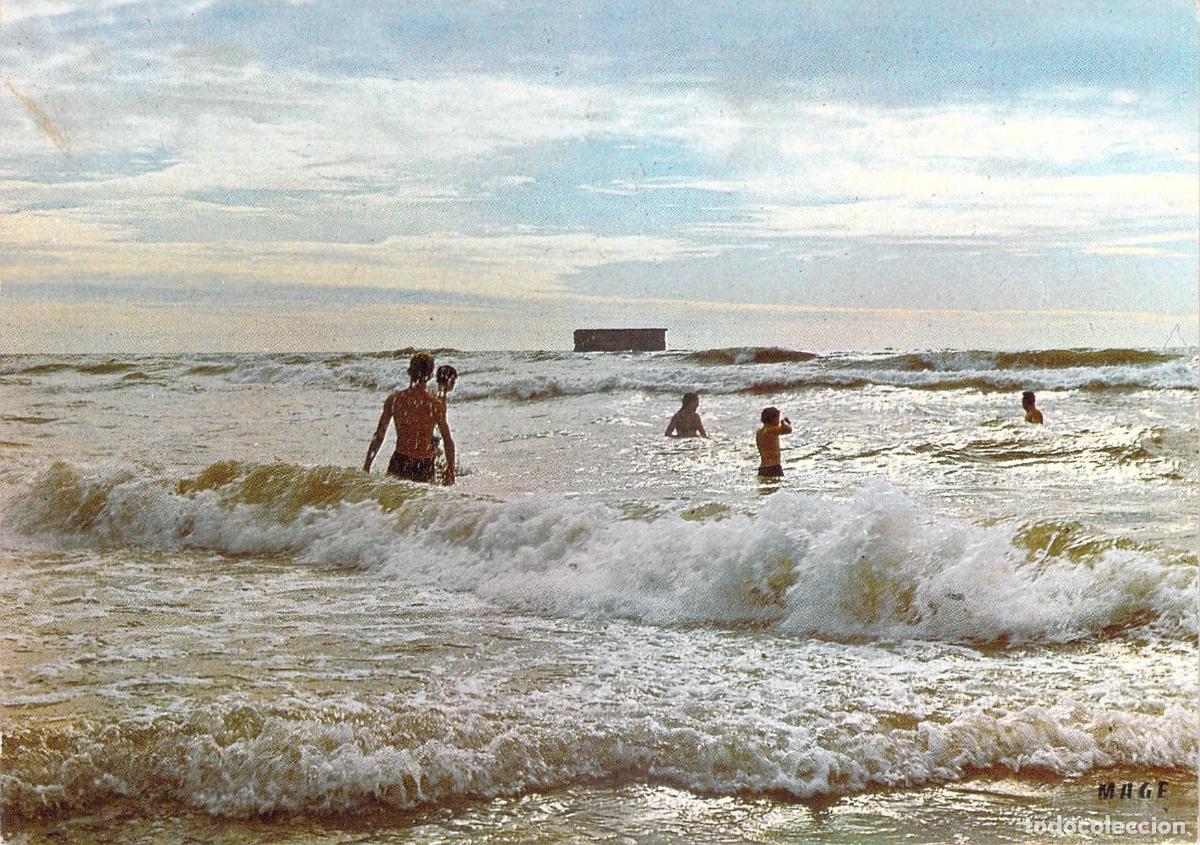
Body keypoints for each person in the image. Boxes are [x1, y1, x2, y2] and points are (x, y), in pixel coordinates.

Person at [363, 352, 455, 484]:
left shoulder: (394, 400)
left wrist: (367, 465)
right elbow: (447, 440)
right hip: (424, 465)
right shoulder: (435, 405)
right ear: (430, 376)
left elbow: (379, 435)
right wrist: (450, 470)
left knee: (391, 503)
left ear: (409, 372)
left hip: (400, 462)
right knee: (422, 503)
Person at [756, 406, 792, 477]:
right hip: (773, 467)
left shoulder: (760, 432)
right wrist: (785, 423)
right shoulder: (770, 430)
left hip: (763, 468)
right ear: (773, 419)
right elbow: (788, 430)